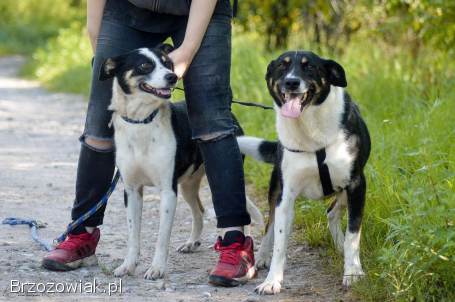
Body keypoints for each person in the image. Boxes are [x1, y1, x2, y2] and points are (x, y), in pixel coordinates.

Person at [42, 0, 255, 287]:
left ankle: (235, 243)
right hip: (127, 8)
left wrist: (188, 49)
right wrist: (94, 31)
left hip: (200, 9)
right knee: (98, 126)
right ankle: (83, 232)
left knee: (212, 119)